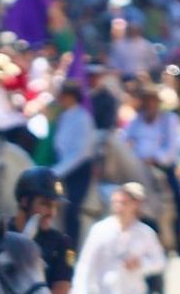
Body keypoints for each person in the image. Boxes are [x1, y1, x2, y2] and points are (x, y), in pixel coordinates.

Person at [0, 168, 75, 294]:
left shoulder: (61, 243)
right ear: (25, 201)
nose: (52, 213)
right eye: (45, 204)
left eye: (55, 206)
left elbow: (62, 286)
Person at [74, 183, 166, 294]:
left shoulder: (145, 232)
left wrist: (140, 264)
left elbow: (160, 261)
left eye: (123, 203)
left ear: (135, 204)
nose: (118, 207)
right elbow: (85, 264)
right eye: (115, 202)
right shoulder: (100, 230)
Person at [122, 90, 180, 247]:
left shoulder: (168, 120)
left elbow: (171, 149)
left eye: (152, 101)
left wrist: (155, 158)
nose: (149, 105)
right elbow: (125, 140)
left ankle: (178, 239)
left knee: (179, 201)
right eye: (147, 101)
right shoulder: (136, 120)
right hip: (139, 167)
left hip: (161, 167)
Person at [51, 82, 97, 243]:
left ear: (71, 97)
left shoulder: (83, 118)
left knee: (71, 210)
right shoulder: (63, 116)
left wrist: (58, 171)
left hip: (79, 171)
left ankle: (72, 248)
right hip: (62, 168)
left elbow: (81, 152)